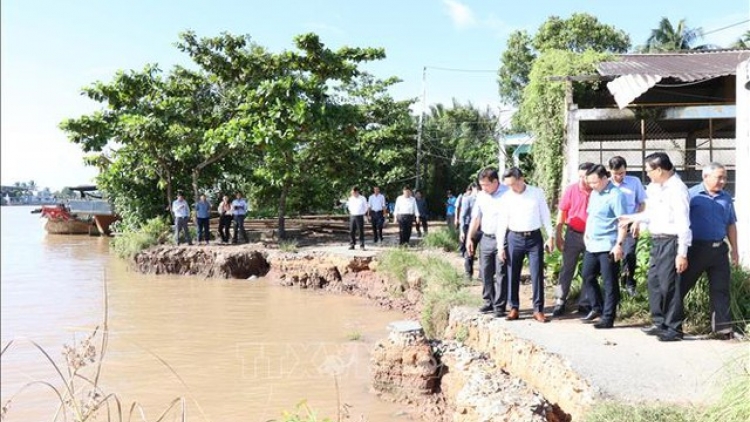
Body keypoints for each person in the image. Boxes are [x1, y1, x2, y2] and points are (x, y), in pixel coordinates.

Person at [620, 152, 691, 342]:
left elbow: (684, 223)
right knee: (654, 282)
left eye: (649, 171)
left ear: (659, 169)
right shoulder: (654, 187)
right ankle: (660, 322)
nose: (647, 174)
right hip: (657, 239)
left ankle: (674, 328)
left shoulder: (677, 189)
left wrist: (682, 253)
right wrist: (631, 218)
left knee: (670, 286)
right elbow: (651, 213)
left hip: (672, 241)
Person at [679, 163, 738, 340]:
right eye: (719, 177)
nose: (723, 181)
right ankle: (672, 324)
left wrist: (735, 249)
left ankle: (722, 330)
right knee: (681, 287)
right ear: (705, 177)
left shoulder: (726, 198)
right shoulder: (691, 195)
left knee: (720, 289)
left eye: (725, 177)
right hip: (695, 249)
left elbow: (731, 224)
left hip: (719, 250)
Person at [496, 167, 554, 323]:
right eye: (508, 185)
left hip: (534, 237)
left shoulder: (536, 193)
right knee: (512, 273)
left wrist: (551, 236)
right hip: (514, 237)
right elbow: (502, 222)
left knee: (536, 274)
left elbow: (545, 214)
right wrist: (500, 246)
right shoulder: (506, 197)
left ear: (521, 179)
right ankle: (514, 307)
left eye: (513, 184)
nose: (511, 187)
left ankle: (538, 309)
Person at [578, 165, 628, 329]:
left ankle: (608, 317)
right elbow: (591, 216)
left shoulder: (615, 195)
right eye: (589, 182)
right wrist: (586, 233)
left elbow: (622, 222)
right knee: (587, 276)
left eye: (594, 182)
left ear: (605, 178)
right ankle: (597, 307)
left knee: (609, 282)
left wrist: (618, 245)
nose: (592, 185)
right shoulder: (594, 193)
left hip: (608, 244)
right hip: (592, 243)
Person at [552, 162, 595, 317]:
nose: (583, 180)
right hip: (573, 233)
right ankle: (559, 300)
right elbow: (562, 212)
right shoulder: (571, 189)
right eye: (580, 176)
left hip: (592, 235)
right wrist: (558, 233)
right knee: (566, 268)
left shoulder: (598, 190)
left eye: (586, 176)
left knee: (589, 270)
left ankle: (585, 302)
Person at [466, 168, 508, 317]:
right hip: (486, 238)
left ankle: (499, 305)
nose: (483, 188)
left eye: (486, 185)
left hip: (503, 239)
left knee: (501, 272)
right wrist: (469, 238)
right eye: (481, 185)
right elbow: (476, 218)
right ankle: (488, 301)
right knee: (485, 271)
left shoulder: (508, 193)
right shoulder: (481, 196)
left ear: (495, 182)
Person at [608, 156, 647, 297]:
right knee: (612, 255)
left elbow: (642, 203)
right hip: (612, 226)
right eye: (615, 174)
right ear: (609, 171)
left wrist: (637, 221)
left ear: (626, 170)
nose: (618, 177)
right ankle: (613, 287)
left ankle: (629, 283)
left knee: (629, 253)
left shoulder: (634, 182)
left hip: (630, 224)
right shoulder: (606, 184)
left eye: (622, 173)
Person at [458, 183, 480, 279]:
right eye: (477, 190)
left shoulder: (487, 198)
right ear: (473, 189)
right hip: (470, 227)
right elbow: (462, 216)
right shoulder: (468, 199)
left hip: (483, 228)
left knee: (484, 252)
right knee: (470, 250)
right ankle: (468, 273)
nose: (479, 192)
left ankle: (483, 273)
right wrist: (462, 231)